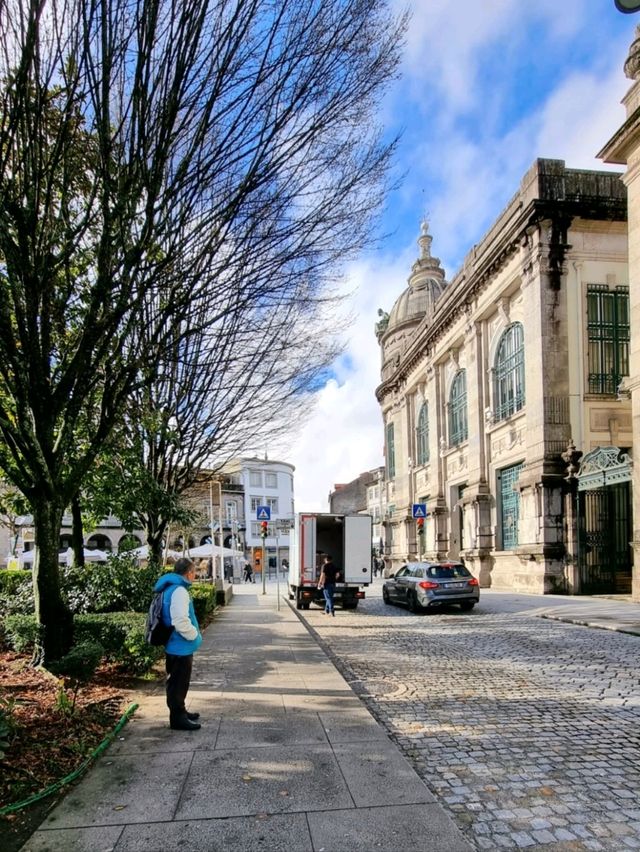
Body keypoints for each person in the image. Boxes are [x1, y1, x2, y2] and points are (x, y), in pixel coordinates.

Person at [153, 557, 203, 731]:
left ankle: (180, 710)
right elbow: (180, 621)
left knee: (177, 682)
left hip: (175, 645)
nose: (195, 575)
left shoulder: (170, 588)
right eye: (194, 571)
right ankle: (178, 718)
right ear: (189, 573)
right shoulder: (179, 591)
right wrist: (194, 634)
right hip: (180, 645)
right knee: (178, 682)